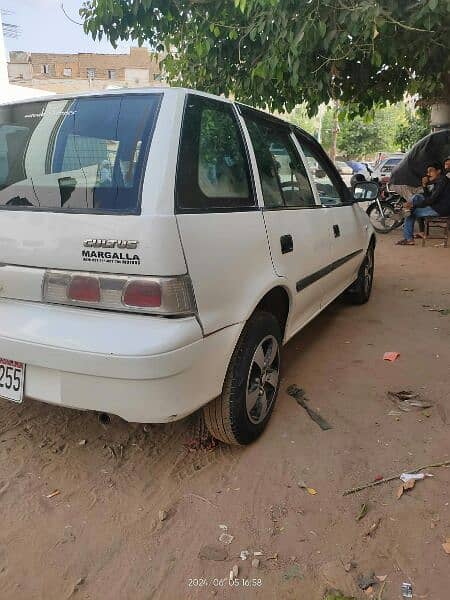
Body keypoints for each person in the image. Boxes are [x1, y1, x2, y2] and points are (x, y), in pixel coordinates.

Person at [396, 161, 450, 245]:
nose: (428, 174)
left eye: (431, 171)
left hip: (440, 209)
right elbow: (429, 197)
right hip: (437, 206)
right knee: (417, 197)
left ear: (438, 171)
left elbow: (431, 200)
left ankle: (408, 239)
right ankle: (406, 211)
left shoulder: (442, 181)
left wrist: (413, 205)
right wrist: (424, 185)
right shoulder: (439, 181)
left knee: (411, 213)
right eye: (427, 172)